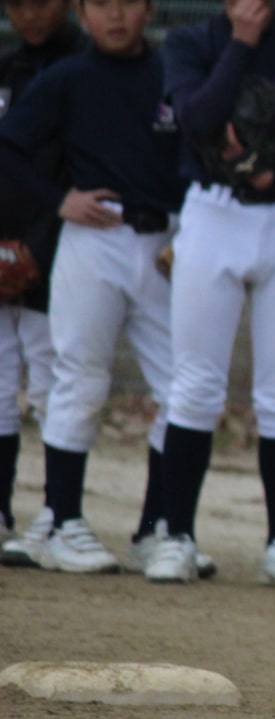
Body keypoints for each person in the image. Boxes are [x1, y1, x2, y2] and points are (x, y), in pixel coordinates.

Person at [144, 0, 275, 588]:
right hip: (213, 213)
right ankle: (177, 535)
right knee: (194, 384)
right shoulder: (196, 42)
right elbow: (194, 121)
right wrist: (239, 42)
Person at [0, 0, 190, 575]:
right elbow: (8, 145)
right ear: (84, 15)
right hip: (93, 239)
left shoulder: (174, 74)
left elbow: (195, 151)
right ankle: (63, 520)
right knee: (80, 376)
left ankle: (159, 528)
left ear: (148, 10)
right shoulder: (68, 78)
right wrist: (59, 201)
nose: (116, 17)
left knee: (182, 386)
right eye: (101, 5)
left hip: (160, 243)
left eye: (127, 4)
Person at [0, 0, 83, 560]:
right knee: (0, 383)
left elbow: (72, 167)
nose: (29, 14)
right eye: (16, 4)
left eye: (42, 2)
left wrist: (35, 243)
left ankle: (57, 513)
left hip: (56, 247)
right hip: (3, 245)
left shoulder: (83, 67)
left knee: (57, 383)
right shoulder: (8, 68)